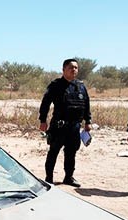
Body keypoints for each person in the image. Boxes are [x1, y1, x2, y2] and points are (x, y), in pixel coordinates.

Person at [38, 58, 93, 187]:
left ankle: (68, 177)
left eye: (76, 68)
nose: (74, 70)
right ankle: (49, 178)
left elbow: (86, 104)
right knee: (54, 152)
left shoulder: (80, 86)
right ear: (63, 70)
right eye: (71, 67)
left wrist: (88, 121)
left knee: (71, 153)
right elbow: (45, 103)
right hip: (59, 126)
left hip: (74, 127)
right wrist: (42, 120)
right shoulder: (55, 85)